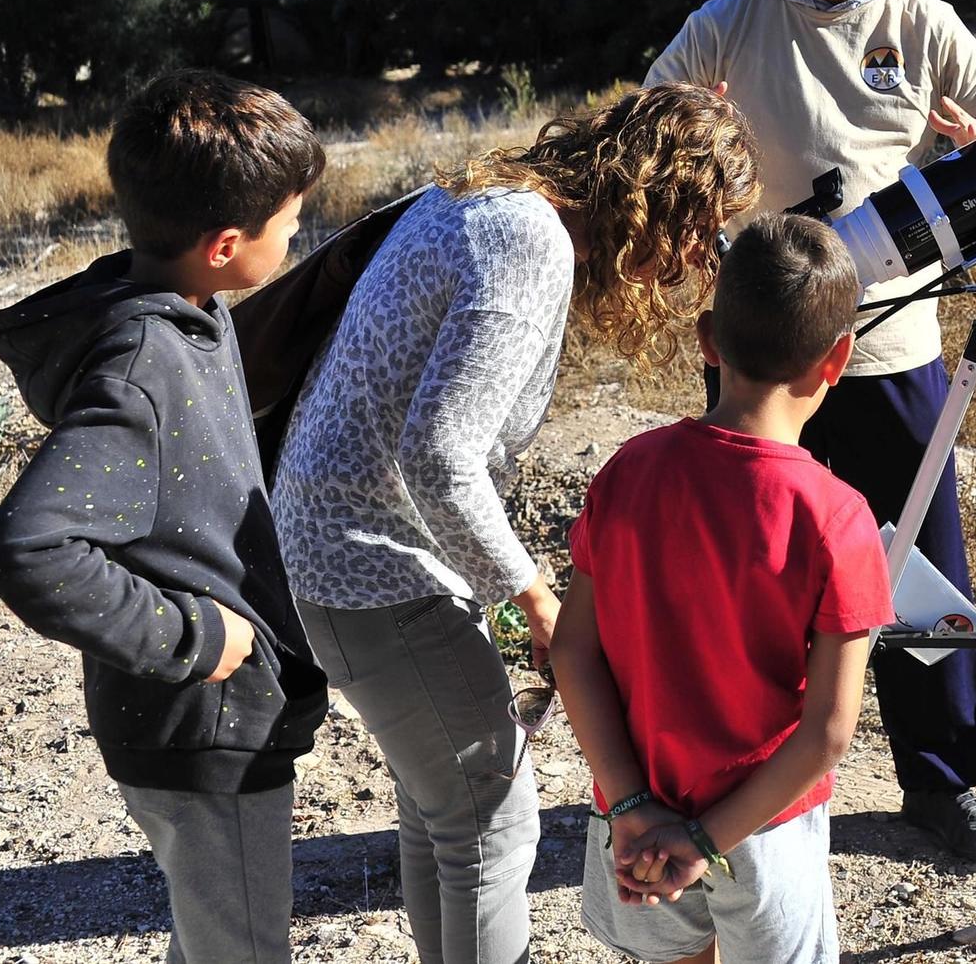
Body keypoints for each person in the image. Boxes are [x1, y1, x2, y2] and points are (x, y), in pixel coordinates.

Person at [269, 84, 759, 964]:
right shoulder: (529, 240)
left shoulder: (489, 199)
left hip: (327, 546)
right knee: (492, 820)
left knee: (441, 808)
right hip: (373, 563)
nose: (692, 259)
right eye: (697, 225)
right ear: (659, 191)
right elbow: (439, 453)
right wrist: (535, 596)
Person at [643, 0, 976, 861]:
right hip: (758, 348)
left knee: (916, 566)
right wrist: (685, 169)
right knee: (752, 565)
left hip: (891, 344)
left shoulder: (920, 21)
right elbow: (645, 127)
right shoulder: (731, 19)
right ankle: (747, 783)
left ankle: (942, 785)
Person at [0, 71, 330, 964]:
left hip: (202, 725)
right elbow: (30, 547)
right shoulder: (143, 362)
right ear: (222, 243)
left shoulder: (188, 311)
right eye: (289, 221)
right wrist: (193, 636)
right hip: (202, 726)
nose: (297, 234)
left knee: (216, 941)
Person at [552, 214, 897, 964]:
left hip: (634, 813)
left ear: (708, 338)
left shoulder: (628, 471)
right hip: (764, 828)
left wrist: (636, 804)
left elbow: (572, 649)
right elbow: (828, 732)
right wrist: (707, 837)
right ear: (838, 359)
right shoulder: (838, 518)